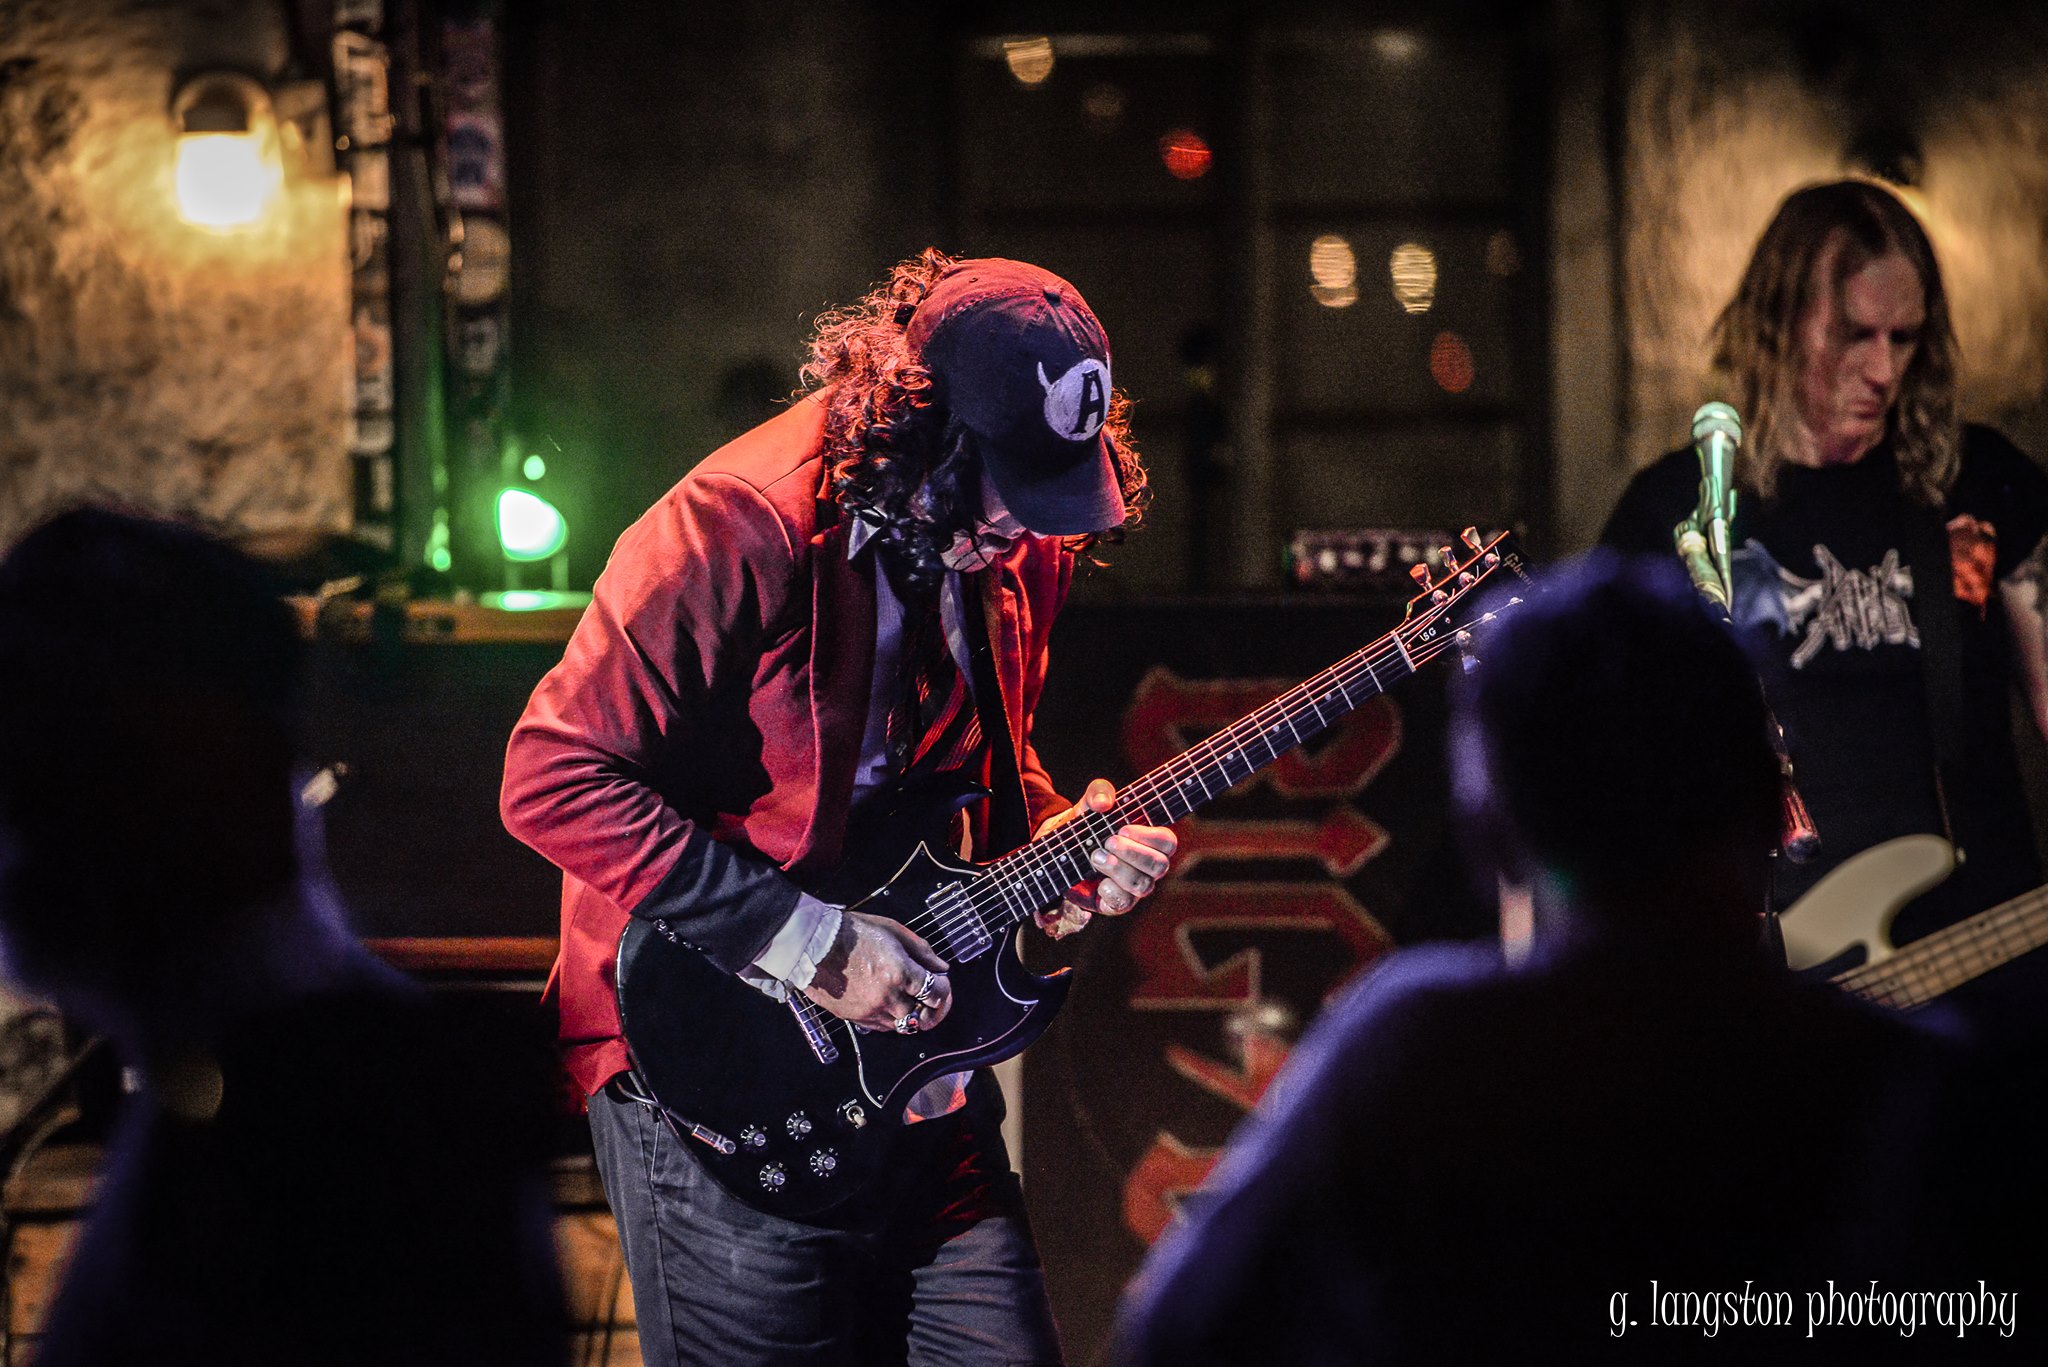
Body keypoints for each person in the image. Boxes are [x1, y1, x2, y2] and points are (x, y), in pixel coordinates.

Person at [501, 251, 1178, 1366]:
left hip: (913, 1061)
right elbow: (552, 775)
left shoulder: (1016, 545)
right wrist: (813, 944)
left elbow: (973, 759)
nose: (1027, 529)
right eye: (1010, 485)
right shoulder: (738, 521)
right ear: (923, 432)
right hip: (718, 1050)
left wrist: (1053, 840)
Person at [1113, 554, 1974, 1365]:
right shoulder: (1921, 1088)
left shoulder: (1417, 1047)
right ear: (1764, 807)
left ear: (1488, 833)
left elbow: (1178, 1331)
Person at [0, 508, 565, 1367]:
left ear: (214, 763)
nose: (15, 845)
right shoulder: (251, 1088)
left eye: (43, 774)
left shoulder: (335, 1140)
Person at [1601, 179, 2048, 952]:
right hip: (1777, 972)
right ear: (1776, 325)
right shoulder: (1677, 512)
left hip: (1978, 952)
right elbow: (1611, 769)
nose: (1882, 369)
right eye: (1853, 335)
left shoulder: (1978, 483)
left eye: (1904, 339)